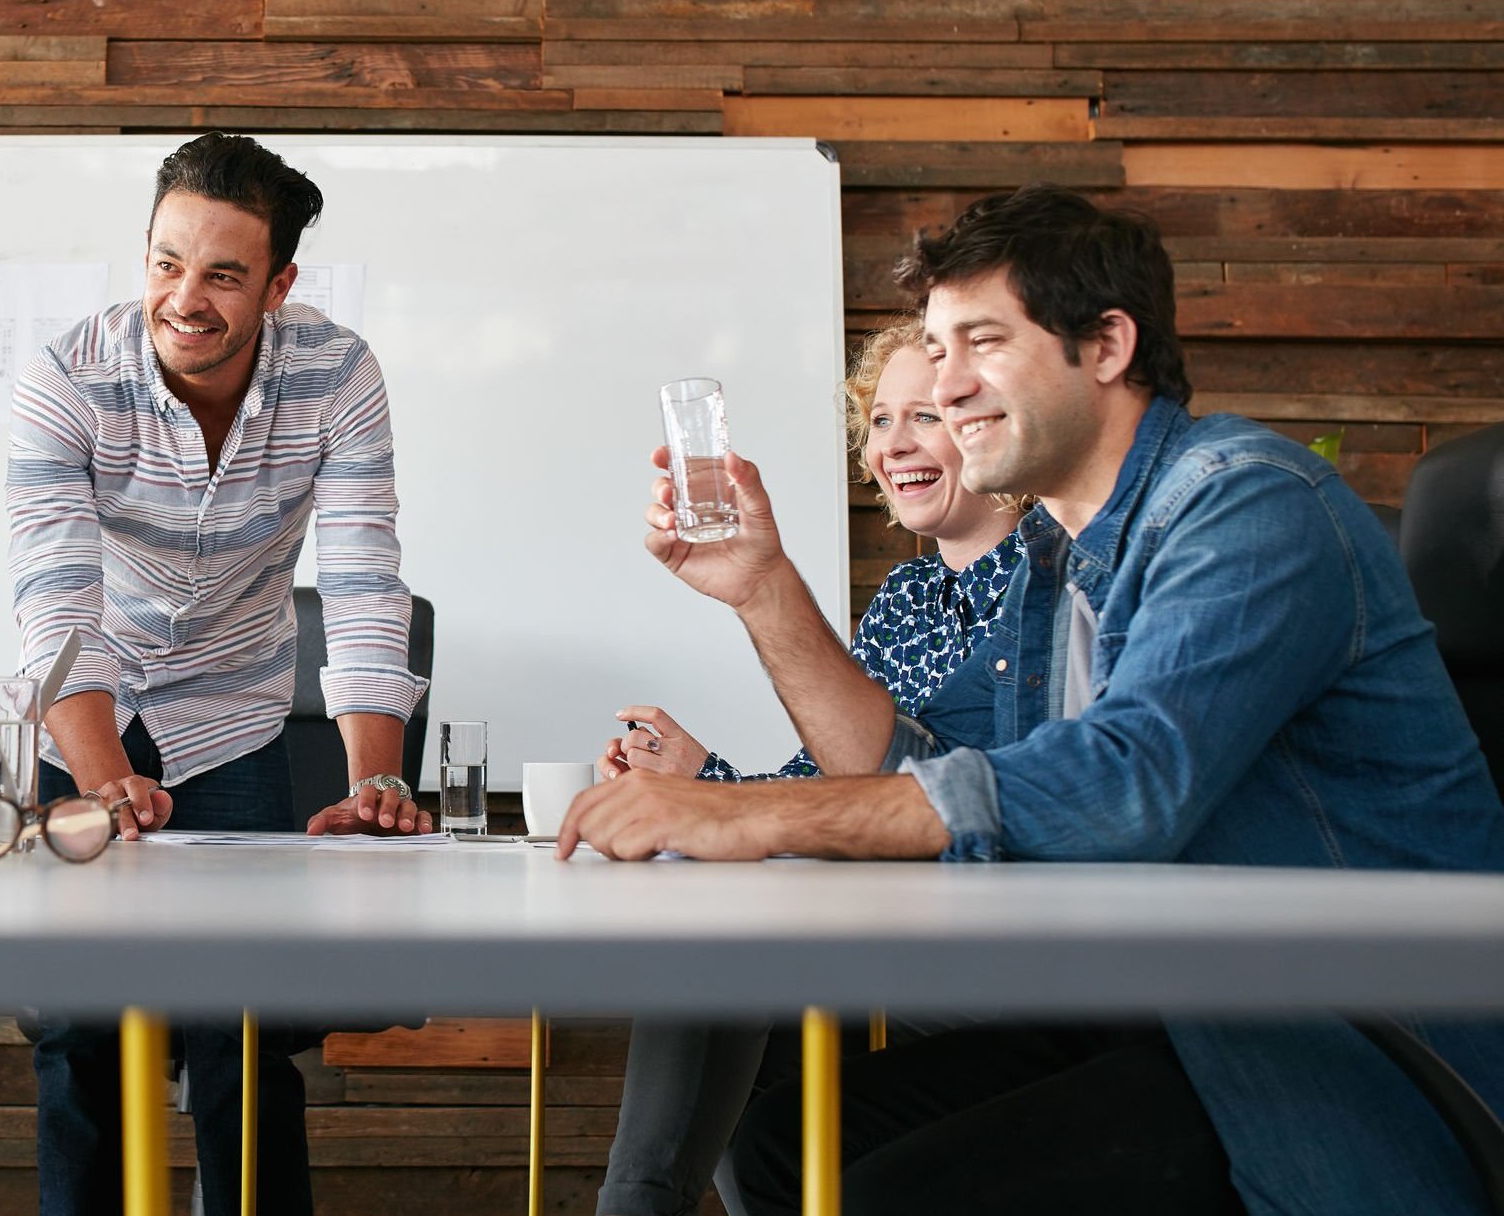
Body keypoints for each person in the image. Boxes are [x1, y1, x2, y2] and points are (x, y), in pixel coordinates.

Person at [559, 185, 1504, 1216]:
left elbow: (1124, 785)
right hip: (1170, 1016)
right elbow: (921, 773)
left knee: (898, 1194)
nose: (947, 386)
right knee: (782, 1149)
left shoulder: (1248, 504)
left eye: (982, 343)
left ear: (1105, 345)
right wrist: (763, 585)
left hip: (1340, 1050)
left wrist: (742, 812)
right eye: (935, 345)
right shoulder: (1054, 564)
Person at [5, 132, 432, 1216]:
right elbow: (58, 601)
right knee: (80, 1032)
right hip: (84, 714)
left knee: (240, 1026)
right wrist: (101, 779)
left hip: (234, 717)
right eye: (165, 264)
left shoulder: (338, 374)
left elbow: (366, 583)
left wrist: (373, 780)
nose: (184, 299)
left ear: (280, 283)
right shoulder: (66, 376)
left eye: (224, 275)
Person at [593, 320, 1024, 1216]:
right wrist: (697, 779)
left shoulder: (1055, 583)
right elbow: (831, 782)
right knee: (733, 998)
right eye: (880, 421)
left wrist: (711, 807)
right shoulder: (908, 598)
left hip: (993, 946)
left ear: (990, 427)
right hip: (880, 931)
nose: (896, 443)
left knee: (727, 963)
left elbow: (925, 796)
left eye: (928, 416)